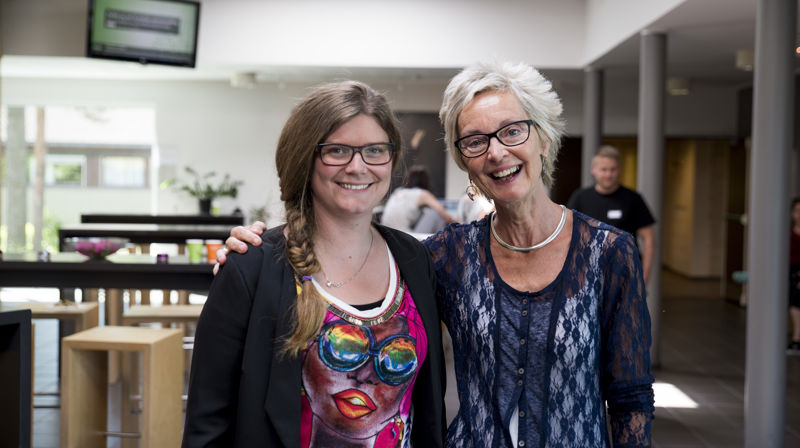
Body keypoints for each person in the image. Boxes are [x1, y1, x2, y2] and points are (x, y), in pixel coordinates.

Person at [220, 61, 655, 447]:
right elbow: (355, 271)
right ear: (466, 162)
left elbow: (630, 396)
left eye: (512, 131)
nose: (497, 152)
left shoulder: (609, 253)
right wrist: (258, 247)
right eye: (475, 141)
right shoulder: (449, 256)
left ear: (543, 138)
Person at [182, 81, 446, 447]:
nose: (358, 167)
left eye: (374, 150)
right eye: (337, 150)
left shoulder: (414, 260)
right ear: (304, 159)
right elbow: (206, 426)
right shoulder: (253, 268)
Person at [567, 145, 657, 284]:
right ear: (593, 170)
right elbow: (566, 236)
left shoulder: (633, 199)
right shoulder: (580, 198)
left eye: (613, 169)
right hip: (587, 275)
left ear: (619, 170)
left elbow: (649, 239)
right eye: (603, 170)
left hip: (625, 275)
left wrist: (644, 278)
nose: (608, 174)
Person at [380, 164, 456, 233]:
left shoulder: (398, 190)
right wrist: (457, 222)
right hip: (404, 234)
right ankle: (441, 243)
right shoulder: (422, 193)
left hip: (386, 232)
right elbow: (442, 212)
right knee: (436, 213)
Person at [788, 198, 800, 354]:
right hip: (789, 272)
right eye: (797, 211)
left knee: (796, 299)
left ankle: (797, 339)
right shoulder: (787, 234)